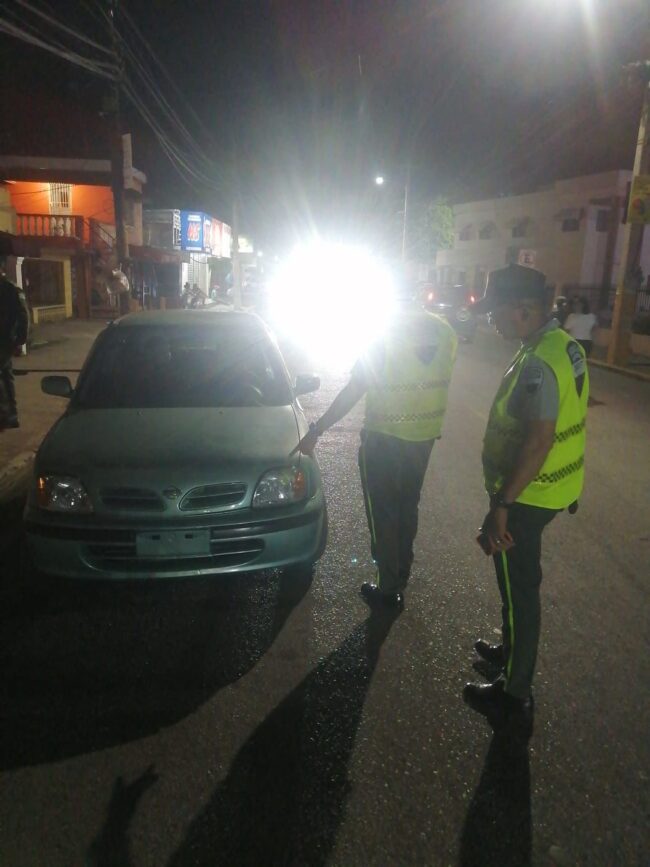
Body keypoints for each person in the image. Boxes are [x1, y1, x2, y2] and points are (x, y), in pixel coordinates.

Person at [464, 264, 589, 735]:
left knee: (519, 590)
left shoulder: (539, 362)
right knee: (516, 585)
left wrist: (502, 504)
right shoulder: (563, 345)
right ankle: (511, 649)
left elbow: (539, 441)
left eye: (495, 311)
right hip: (551, 488)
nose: (490, 320)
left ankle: (513, 694)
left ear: (523, 310)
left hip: (527, 496)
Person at [295, 292, 458, 610]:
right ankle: (401, 572)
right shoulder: (445, 331)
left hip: (385, 439)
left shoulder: (383, 335)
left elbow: (354, 389)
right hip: (423, 438)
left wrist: (317, 429)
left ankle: (387, 587)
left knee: (382, 511)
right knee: (407, 506)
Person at [0, 262, 29, 429]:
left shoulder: (11, 289)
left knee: (4, 376)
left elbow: (23, 315)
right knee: (6, 376)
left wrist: (20, 339)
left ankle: (8, 414)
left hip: (5, 340)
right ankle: (9, 414)